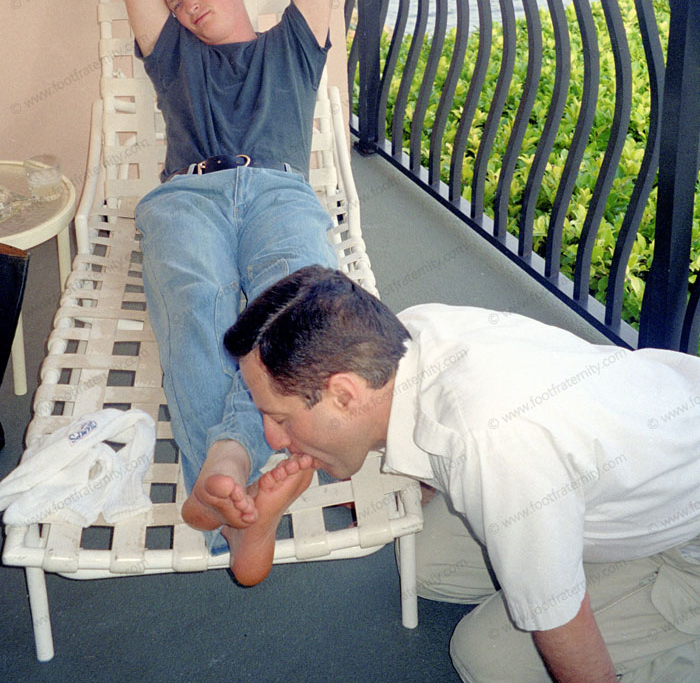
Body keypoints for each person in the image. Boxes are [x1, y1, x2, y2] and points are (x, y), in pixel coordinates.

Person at [226, 264, 700, 683]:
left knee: (488, 659)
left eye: (280, 418)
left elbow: (560, 618)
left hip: (685, 546)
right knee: (427, 564)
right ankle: (554, 544)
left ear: (345, 395)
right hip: (633, 452)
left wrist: (545, 579)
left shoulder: (492, 446)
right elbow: (435, 447)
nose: (273, 438)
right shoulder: (405, 337)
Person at [115, 0, 337, 575]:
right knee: (197, 302)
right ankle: (238, 482)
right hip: (189, 194)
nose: (187, 8)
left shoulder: (294, 44)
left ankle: (227, 468)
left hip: (279, 188)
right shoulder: (172, 54)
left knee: (295, 302)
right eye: (175, 2)